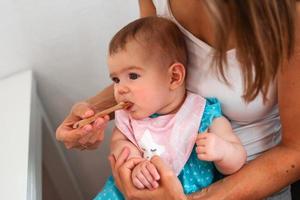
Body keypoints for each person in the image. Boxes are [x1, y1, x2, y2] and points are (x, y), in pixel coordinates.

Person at [56, 0, 300, 199]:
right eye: (116, 79)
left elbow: (295, 151)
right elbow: (151, 73)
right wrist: (93, 111)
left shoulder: (291, 14)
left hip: (251, 181)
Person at [93, 17, 246, 200]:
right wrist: (135, 164)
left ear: (174, 77)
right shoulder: (130, 118)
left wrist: (222, 151)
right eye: (115, 79)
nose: (120, 89)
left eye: (132, 75)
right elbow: (119, 145)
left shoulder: (203, 114)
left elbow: (238, 158)